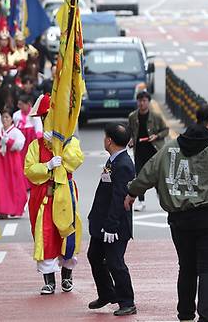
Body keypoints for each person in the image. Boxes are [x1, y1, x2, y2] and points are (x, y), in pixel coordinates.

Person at [124, 104, 208, 322]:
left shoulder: (171, 147)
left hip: (180, 219)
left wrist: (132, 192)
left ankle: (185, 314)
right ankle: (206, 318)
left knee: (186, 267)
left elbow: (148, 173)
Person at [24, 94, 84, 295]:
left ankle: (67, 277)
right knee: (45, 235)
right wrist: (47, 166)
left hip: (65, 193)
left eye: (50, 117)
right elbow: (29, 170)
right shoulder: (36, 145)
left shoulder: (71, 142)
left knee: (67, 233)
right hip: (43, 196)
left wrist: (62, 144)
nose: (46, 122)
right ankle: (48, 280)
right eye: (44, 118)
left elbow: (75, 161)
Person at [87, 123, 136, 316]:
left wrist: (111, 226)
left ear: (109, 140)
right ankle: (107, 293)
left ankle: (127, 301)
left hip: (114, 225)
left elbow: (119, 198)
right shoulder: (113, 160)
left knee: (115, 262)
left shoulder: (123, 164)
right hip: (102, 222)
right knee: (94, 256)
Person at [127, 90, 168, 211]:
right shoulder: (133, 116)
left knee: (157, 176)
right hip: (139, 151)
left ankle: (162, 198)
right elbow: (130, 131)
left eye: (144, 101)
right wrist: (131, 140)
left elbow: (165, 130)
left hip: (154, 150)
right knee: (139, 176)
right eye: (140, 101)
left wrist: (157, 136)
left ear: (149, 102)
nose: (142, 103)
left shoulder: (156, 116)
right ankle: (141, 201)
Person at [0, 109, 26, 219]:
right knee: (1, 186)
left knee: (13, 184)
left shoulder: (15, 132)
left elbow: (19, 145)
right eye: (3, 117)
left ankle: (14, 208)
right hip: (0, 163)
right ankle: (3, 210)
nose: (5, 120)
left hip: (11, 163)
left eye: (7, 117)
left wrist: (8, 141)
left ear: (11, 120)